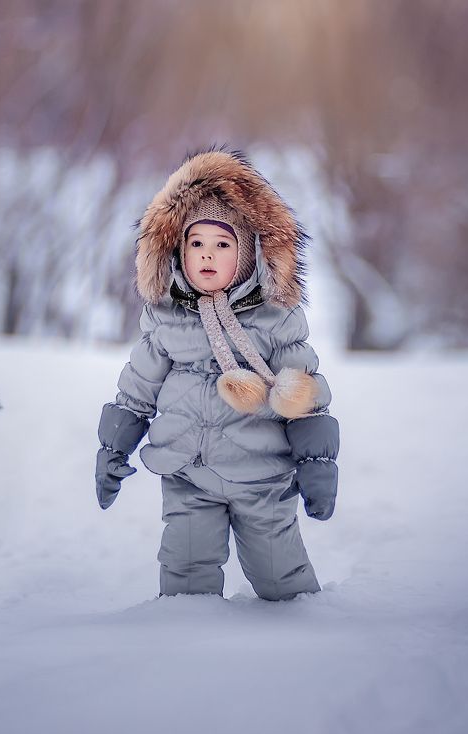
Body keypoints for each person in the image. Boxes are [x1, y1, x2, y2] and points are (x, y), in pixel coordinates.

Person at [95, 148, 339, 600]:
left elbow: (305, 393)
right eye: (196, 243)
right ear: (177, 250)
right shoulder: (165, 317)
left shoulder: (275, 318)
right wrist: (113, 447)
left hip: (262, 480)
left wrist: (318, 463)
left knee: (281, 579)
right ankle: (186, 648)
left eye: (222, 244)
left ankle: (304, 640)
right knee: (185, 575)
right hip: (189, 475)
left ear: (247, 255)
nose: (207, 255)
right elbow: (137, 388)